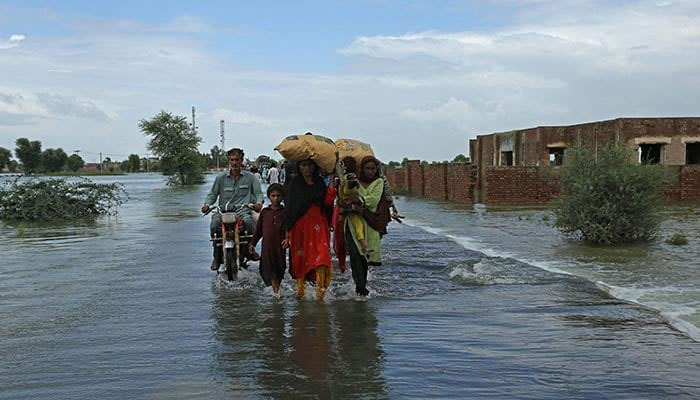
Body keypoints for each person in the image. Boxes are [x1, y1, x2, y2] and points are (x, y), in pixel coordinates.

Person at [202, 148, 263, 271]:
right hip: (223, 211)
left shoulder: (250, 177)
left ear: (241, 161)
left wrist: (258, 203)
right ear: (229, 161)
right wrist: (207, 205)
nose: (234, 163)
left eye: (237, 160)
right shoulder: (221, 178)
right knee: (214, 225)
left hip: (242, 211)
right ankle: (217, 257)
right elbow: (212, 194)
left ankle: (251, 249)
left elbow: (258, 193)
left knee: (250, 223)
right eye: (232, 160)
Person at [285, 159, 336, 301]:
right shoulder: (294, 185)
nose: (308, 168)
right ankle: (301, 294)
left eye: (310, 165)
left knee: (322, 258)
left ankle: (321, 294)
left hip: (319, 225)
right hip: (299, 227)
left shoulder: (320, 183)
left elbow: (328, 201)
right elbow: (289, 209)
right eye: (304, 165)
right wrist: (287, 232)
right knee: (301, 258)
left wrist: (332, 180)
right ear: (299, 167)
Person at [344, 156, 391, 298]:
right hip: (352, 223)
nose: (370, 171)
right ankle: (360, 288)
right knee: (355, 255)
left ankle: (361, 287)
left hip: (371, 224)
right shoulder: (354, 181)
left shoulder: (378, 182)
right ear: (361, 169)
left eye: (373, 169)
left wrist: (356, 202)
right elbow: (345, 194)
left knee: (364, 258)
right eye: (367, 168)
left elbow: (372, 201)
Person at [249, 183, 287, 297]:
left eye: (278, 196)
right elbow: (259, 230)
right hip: (267, 247)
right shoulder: (265, 212)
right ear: (269, 196)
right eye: (273, 195)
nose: (276, 198)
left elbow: (288, 228)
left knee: (279, 268)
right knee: (266, 268)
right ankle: (275, 292)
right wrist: (252, 243)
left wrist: (287, 239)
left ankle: (277, 291)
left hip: (280, 246)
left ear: (283, 197)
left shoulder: (285, 212)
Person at [337, 157, 370, 253]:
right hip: (354, 206)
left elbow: (340, 192)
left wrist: (341, 200)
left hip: (344, 206)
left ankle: (346, 246)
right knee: (358, 225)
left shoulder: (343, 179)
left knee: (342, 226)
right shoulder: (356, 179)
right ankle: (364, 245)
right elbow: (360, 192)